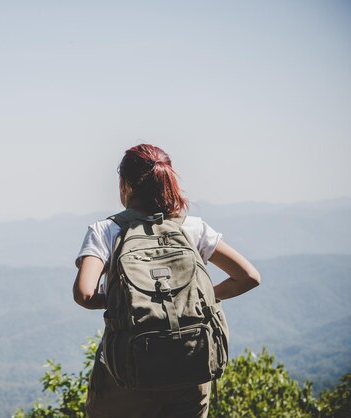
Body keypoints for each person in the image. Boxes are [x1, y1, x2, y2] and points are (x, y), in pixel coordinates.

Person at [73, 144, 261, 418]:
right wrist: (197, 299)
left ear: (124, 184)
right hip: (191, 364)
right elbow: (249, 277)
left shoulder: (107, 230)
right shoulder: (192, 228)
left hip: (126, 370)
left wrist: (130, 304)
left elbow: (84, 294)